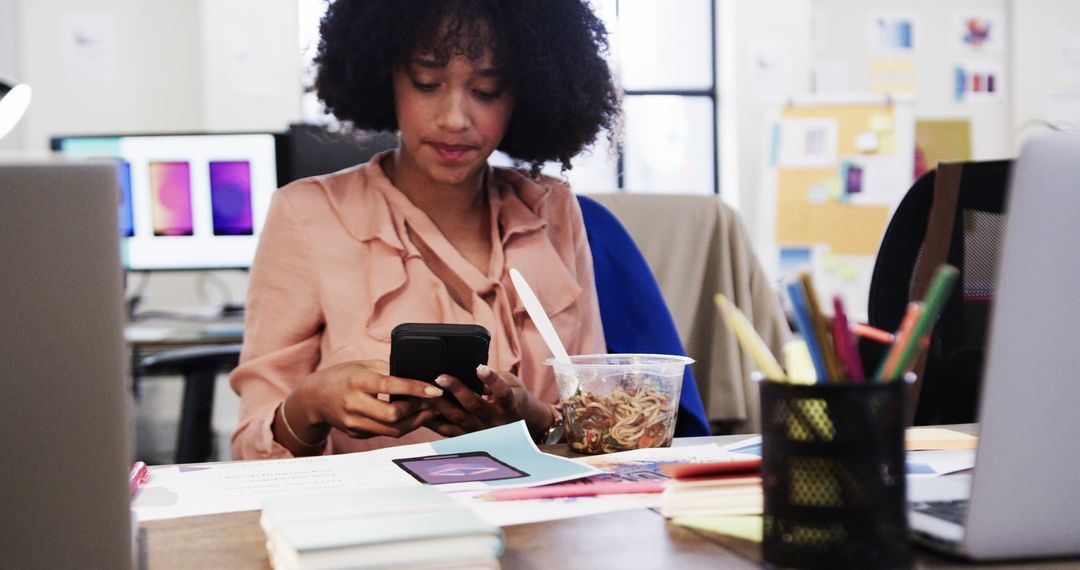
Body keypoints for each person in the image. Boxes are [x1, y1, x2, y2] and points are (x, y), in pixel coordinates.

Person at [230, 0, 620, 459]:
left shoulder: (551, 209)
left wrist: (532, 418)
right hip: (374, 520)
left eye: (488, 90)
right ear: (385, 79)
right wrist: (310, 405)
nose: (455, 119)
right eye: (426, 83)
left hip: (532, 517)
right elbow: (249, 450)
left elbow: (601, 427)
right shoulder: (306, 214)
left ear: (525, 95)